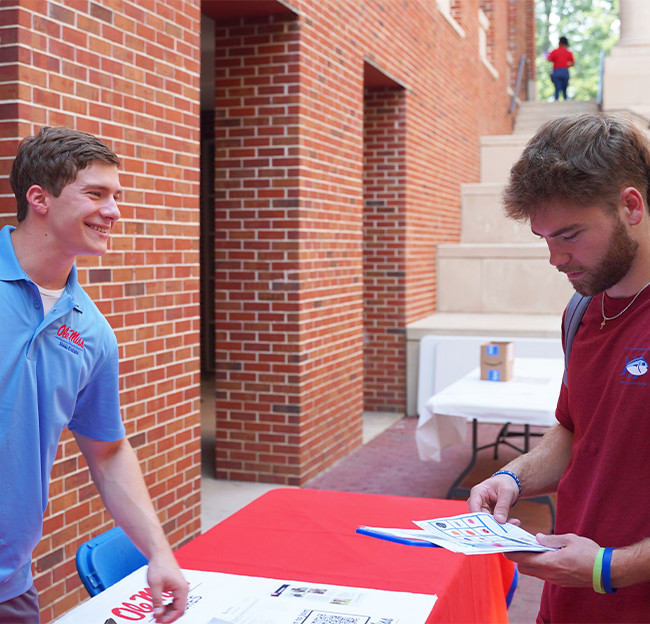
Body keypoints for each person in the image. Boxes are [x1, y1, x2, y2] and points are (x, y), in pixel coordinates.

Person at [0, 127, 188, 623]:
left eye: (117, 196)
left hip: (10, 586)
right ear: (39, 198)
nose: (114, 211)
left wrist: (159, 552)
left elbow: (107, 451)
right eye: (96, 194)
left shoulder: (92, 332)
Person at [468, 113, 650, 623]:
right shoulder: (581, 311)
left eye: (569, 234)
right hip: (565, 604)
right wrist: (513, 477)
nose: (555, 259)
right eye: (544, 237)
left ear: (630, 206)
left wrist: (611, 567)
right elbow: (574, 431)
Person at [547, 36, 574, 101]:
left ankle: (556, 100)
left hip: (556, 71)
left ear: (559, 42)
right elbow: (572, 63)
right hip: (565, 71)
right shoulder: (568, 52)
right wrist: (566, 66)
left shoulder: (554, 51)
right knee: (565, 87)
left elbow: (549, 59)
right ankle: (565, 99)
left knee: (557, 88)